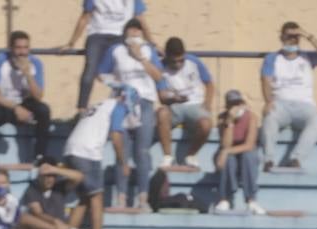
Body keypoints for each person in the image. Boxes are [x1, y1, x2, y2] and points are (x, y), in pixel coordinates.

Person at [97, 20, 160, 207]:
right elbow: (101, 74)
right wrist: (117, 85)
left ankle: (143, 197)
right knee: (122, 153)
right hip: (122, 102)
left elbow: (158, 76)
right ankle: (121, 197)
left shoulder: (148, 50)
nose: (134, 33)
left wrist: (140, 57)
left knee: (142, 151)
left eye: (137, 29)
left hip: (145, 102)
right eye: (130, 29)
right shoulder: (116, 50)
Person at [62, 84, 133, 229]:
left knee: (85, 198)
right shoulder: (118, 106)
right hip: (87, 152)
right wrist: (123, 163)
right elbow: (116, 137)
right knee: (97, 198)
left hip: (71, 149)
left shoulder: (100, 104)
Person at [260, 21, 317, 170]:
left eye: (295, 37)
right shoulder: (272, 58)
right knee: (269, 118)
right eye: (288, 36)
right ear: (281, 37)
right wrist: (268, 102)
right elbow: (265, 80)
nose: (291, 40)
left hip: (304, 105)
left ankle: (296, 159)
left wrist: (307, 35)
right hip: (280, 104)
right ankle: (268, 160)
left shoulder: (307, 57)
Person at [61, 0, 153, 114]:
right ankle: (81, 108)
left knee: (123, 71)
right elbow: (85, 17)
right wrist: (71, 43)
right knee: (90, 69)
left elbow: (140, 18)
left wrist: (152, 43)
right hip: (97, 34)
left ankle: (124, 106)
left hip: (121, 35)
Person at [0, 31, 50, 167]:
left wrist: (28, 75)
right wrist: (16, 108)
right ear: (11, 48)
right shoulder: (0, 61)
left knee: (44, 110)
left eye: (26, 48)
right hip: (5, 105)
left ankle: (39, 155)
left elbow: (38, 96)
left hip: (25, 104)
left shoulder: (35, 63)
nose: (22, 52)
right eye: (18, 48)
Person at [156, 37, 215, 169]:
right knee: (161, 113)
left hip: (195, 104)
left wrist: (207, 104)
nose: (178, 64)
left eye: (181, 60)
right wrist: (173, 99)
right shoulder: (160, 67)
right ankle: (167, 156)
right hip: (174, 107)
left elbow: (209, 84)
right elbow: (162, 97)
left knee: (206, 124)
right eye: (174, 61)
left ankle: (191, 155)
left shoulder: (194, 61)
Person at [214, 90, 265, 214]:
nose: (236, 107)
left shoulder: (251, 117)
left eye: (238, 103)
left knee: (249, 156)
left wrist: (226, 152)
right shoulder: (222, 118)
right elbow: (225, 144)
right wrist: (230, 123)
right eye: (232, 104)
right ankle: (224, 198)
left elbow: (249, 145)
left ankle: (251, 199)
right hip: (228, 152)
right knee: (229, 159)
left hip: (244, 151)